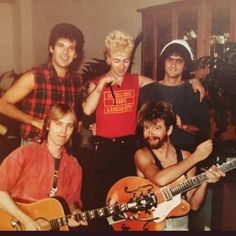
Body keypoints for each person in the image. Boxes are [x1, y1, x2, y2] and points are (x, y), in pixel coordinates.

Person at [134, 101, 225, 231]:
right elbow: (159, 179)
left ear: (169, 130)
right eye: (146, 128)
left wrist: (205, 180)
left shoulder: (186, 157)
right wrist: (196, 157)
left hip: (180, 223)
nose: (150, 134)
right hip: (151, 225)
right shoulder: (142, 155)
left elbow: (193, 205)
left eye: (157, 128)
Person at [0, 104, 86, 230]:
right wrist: (26, 221)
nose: (64, 131)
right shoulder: (25, 153)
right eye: (58, 124)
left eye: (69, 126)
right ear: (48, 125)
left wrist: (75, 212)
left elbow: (72, 202)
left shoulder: (74, 166)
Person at [0, 23, 85, 145]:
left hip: (64, 147)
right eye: (61, 46)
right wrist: (33, 121)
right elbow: (2, 105)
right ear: (51, 48)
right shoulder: (34, 76)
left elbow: (74, 112)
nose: (65, 53)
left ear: (76, 54)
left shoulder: (77, 80)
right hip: (34, 144)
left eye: (71, 48)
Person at [139, 39, 210, 152]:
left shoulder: (194, 92)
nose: (174, 64)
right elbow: (140, 129)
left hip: (186, 152)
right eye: (170, 59)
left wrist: (184, 126)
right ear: (164, 62)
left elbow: (204, 130)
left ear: (185, 65)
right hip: (155, 152)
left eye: (179, 61)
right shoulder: (148, 91)